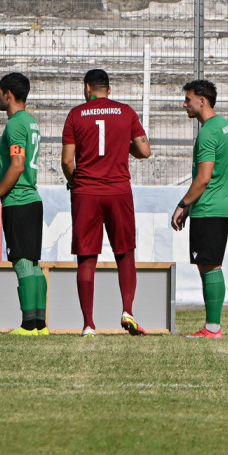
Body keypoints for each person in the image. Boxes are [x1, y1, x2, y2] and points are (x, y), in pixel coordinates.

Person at [61, 68, 151, 337]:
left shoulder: (76, 115)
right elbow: (144, 151)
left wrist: (74, 181)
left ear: (87, 88)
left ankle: (88, 324)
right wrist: (123, 145)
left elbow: (67, 161)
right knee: (125, 252)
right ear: (108, 89)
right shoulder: (126, 112)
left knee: (87, 257)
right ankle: (127, 311)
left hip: (86, 191)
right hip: (118, 190)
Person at [0, 72, 48, 336]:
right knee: (33, 262)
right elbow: (9, 154)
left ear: (9, 94)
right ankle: (40, 324)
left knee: (21, 262)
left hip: (18, 201)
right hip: (32, 200)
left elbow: (16, 166)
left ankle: (28, 325)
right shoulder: (29, 122)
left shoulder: (16, 124)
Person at [172, 79, 228, 338]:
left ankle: (213, 327)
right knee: (210, 264)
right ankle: (212, 326)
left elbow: (203, 177)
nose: (184, 104)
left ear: (202, 100)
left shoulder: (208, 131)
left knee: (209, 266)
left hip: (208, 206)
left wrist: (183, 204)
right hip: (220, 204)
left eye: (188, 99)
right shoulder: (224, 126)